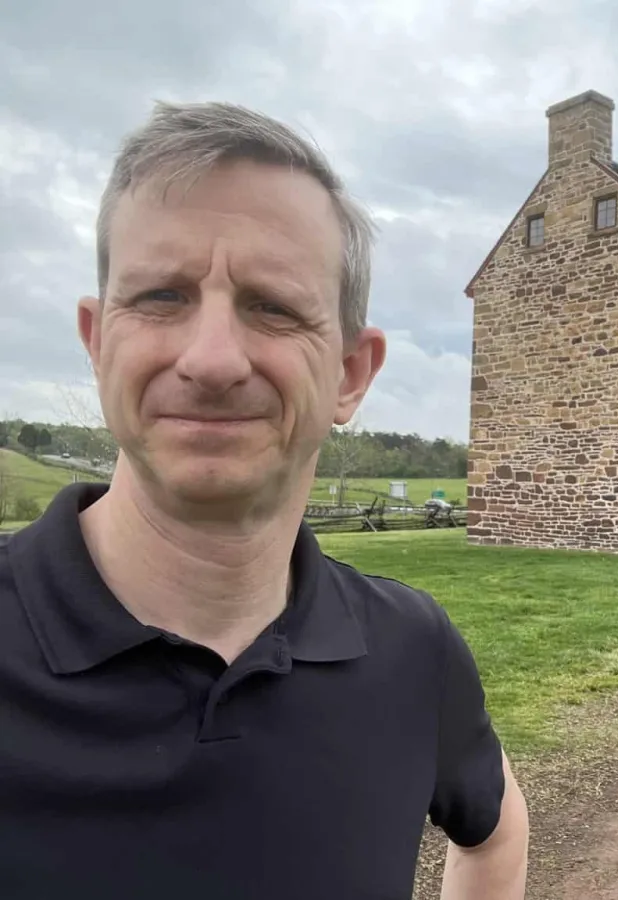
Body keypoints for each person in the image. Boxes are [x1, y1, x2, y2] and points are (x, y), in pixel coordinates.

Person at [0, 101, 528, 899]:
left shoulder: (411, 653)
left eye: (273, 307)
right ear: (97, 340)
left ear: (351, 373)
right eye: (162, 296)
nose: (212, 360)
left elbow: (496, 834)